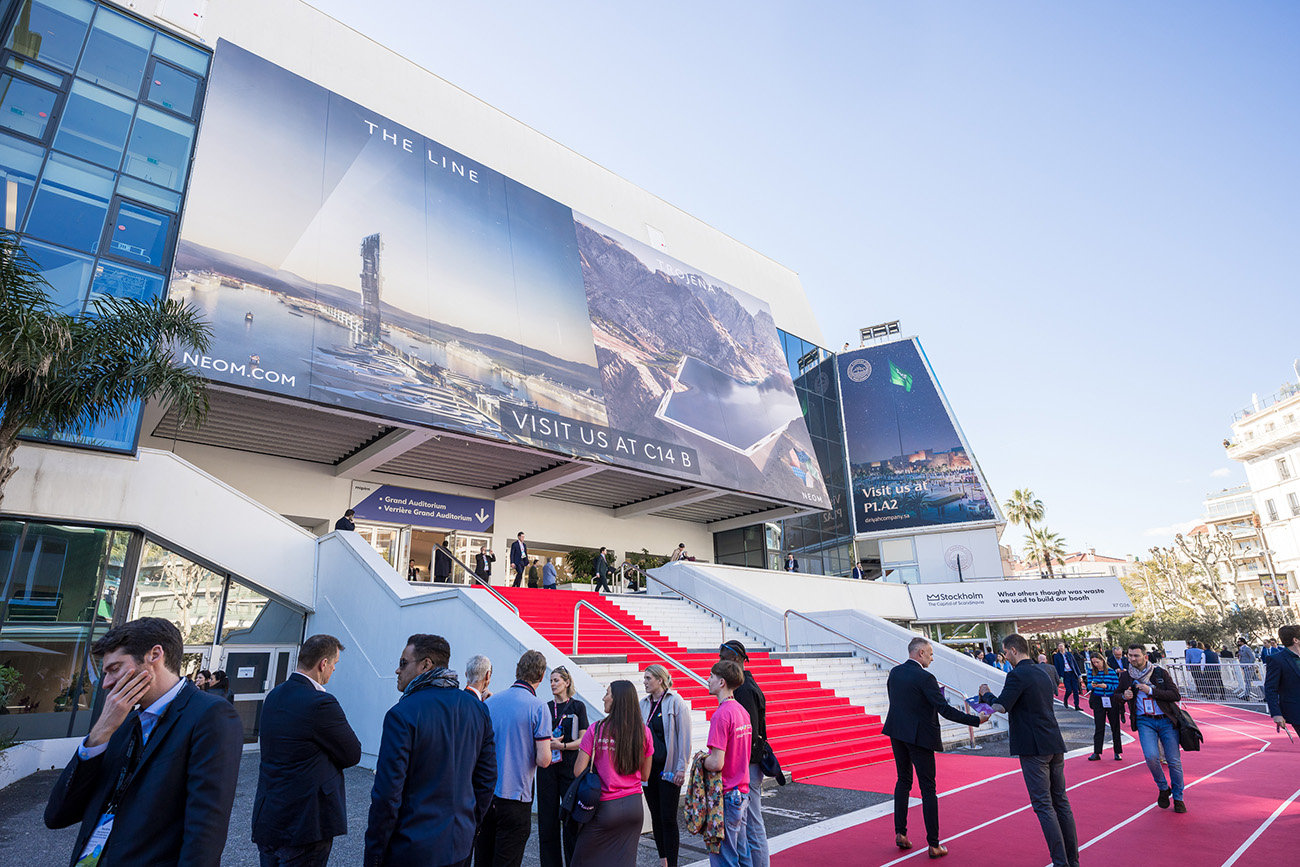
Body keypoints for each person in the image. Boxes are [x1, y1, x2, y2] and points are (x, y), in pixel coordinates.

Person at [44, 617, 243, 867]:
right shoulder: (119, 721)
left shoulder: (210, 714)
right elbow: (57, 815)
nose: (106, 684)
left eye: (114, 669)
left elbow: (205, 831)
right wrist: (99, 734)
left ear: (155, 655)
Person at [365, 634, 496, 867]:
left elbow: (387, 795)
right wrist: (469, 825)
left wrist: (375, 855)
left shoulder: (402, 714)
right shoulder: (477, 709)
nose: (397, 670)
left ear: (426, 664)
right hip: (459, 846)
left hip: (412, 850)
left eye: (403, 663)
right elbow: (486, 780)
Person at [253, 634, 362, 867]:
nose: (333, 670)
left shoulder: (274, 696)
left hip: (270, 815)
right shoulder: (320, 703)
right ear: (323, 664)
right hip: (305, 822)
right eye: (334, 664)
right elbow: (352, 754)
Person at [882, 636, 986, 858]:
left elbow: (897, 703)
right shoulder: (926, 677)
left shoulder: (895, 673)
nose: (932, 658)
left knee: (903, 781)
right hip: (920, 737)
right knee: (928, 789)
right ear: (920, 653)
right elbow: (945, 709)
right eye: (930, 654)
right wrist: (977, 720)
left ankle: (900, 832)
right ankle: (934, 844)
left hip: (897, 732)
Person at [988, 634, 1079, 867]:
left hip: (1033, 746)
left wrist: (985, 694)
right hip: (1053, 740)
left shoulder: (1017, 674)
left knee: (1043, 805)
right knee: (1061, 802)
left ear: (1013, 651)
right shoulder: (1043, 671)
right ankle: (1072, 860)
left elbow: (1000, 706)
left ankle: (1061, 862)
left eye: (1005, 652)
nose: (1004, 656)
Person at [478, 650, 553, 867]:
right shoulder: (539, 707)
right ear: (541, 677)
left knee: (483, 858)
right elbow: (543, 760)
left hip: (487, 794)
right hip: (516, 798)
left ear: (517, 671)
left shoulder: (491, 703)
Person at [572, 680, 653, 867]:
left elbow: (578, 771)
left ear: (617, 700)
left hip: (606, 807)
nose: (604, 697)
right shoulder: (644, 732)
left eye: (607, 693)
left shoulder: (596, 729)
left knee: (582, 860)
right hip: (634, 806)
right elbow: (645, 776)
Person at [1119, 643, 1186, 813]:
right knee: (1150, 757)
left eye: (1136, 656)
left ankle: (1178, 797)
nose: (1133, 659)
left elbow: (1175, 695)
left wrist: (1151, 690)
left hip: (1166, 721)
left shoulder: (1159, 673)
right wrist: (1123, 696)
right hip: (1144, 721)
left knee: (1173, 761)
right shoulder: (1126, 676)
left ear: (1145, 657)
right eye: (1130, 656)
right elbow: (1116, 696)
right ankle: (1163, 787)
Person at [719, 640, 769, 866]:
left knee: (753, 825)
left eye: (724, 658)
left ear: (737, 660)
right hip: (748, 764)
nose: (720, 662)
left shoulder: (745, 690)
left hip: (749, 764)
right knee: (748, 824)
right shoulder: (746, 686)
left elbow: (748, 733)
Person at [537, 666, 589, 867]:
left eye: (556, 680)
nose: (552, 684)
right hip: (548, 767)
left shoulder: (578, 707)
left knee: (570, 820)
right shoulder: (545, 707)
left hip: (569, 766)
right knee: (547, 821)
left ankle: (574, 862)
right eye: (550, 681)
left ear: (567, 682)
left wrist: (563, 745)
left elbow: (584, 740)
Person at [704, 660, 753, 867]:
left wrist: (701, 761)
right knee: (742, 853)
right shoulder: (742, 711)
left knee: (725, 858)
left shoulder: (721, 715)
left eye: (711, 676)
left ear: (721, 682)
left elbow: (716, 763)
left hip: (726, 794)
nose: (708, 680)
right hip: (741, 791)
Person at [642, 664, 691, 867]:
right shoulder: (643, 704)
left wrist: (682, 767)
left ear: (660, 680)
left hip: (669, 769)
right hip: (649, 769)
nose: (644, 682)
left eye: (648, 678)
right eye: (644, 678)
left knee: (668, 818)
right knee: (656, 816)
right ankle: (663, 861)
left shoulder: (675, 702)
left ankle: (672, 862)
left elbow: (684, 737)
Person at [1085, 652, 1122, 762]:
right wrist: (1091, 685)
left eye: (1097, 662)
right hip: (1098, 699)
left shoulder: (1111, 671)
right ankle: (1097, 752)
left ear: (1103, 660)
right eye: (1093, 663)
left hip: (1111, 699)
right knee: (1099, 726)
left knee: (1115, 725)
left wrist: (1107, 686)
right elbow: (1088, 685)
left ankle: (1117, 751)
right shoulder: (1091, 672)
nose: (1096, 664)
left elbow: (1117, 686)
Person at [1265, 623, 1300, 735]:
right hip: (1296, 711)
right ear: (1296, 640)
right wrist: (1276, 713)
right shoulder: (1276, 660)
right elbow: (1270, 688)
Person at [1053, 643, 1083, 710]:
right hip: (1065, 674)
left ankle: (1077, 705)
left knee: (1075, 690)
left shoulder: (1069, 654)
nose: (1061, 647)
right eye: (1059, 646)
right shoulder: (1056, 656)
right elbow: (1056, 667)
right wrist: (1058, 676)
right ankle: (1065, 699)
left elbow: (1075, 664)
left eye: (1062, 646)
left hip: (1072, 673)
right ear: (1058, 648)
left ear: (1064, 647)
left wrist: (1079, 675)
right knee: (1069, 690)